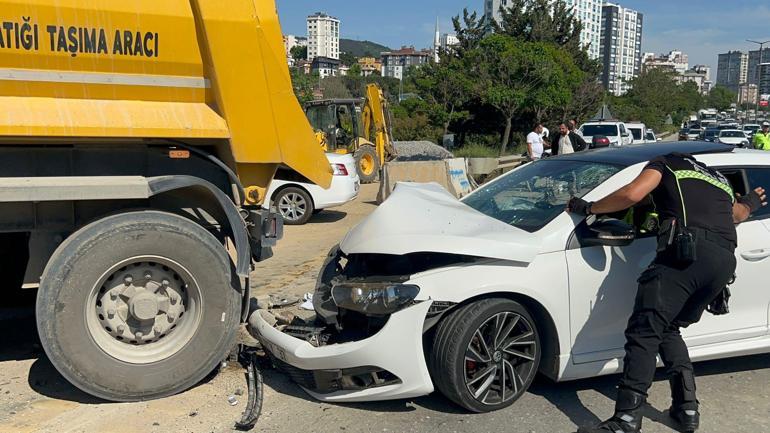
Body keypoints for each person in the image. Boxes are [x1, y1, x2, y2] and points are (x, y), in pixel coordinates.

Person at [568, 152, 767, 433]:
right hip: (723, 263)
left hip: (686, 254)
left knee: (644, 332)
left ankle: (625, 419)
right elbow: (738, 214)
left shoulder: (666, 162)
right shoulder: (718, 178)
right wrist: (751, 201)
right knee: (668, 328)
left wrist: (589, 208)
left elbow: (631, 194)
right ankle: (686, 408)